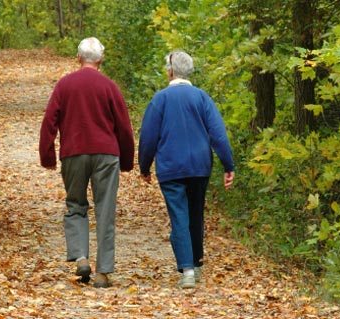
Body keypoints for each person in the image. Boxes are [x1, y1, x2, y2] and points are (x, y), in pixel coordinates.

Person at [39, 37, 135, 288]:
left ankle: (81, 257)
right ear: (101, 59)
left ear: (78, 58)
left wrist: (47, 155)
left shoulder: (65, 85)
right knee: (105, 210)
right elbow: (124, 127)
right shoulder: (110, 87)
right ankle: (103, 273)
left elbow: (49, 120)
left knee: (75, 205)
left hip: (73, 153)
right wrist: (126, 160)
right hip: (106, 154)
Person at [138, 50, 235, 289]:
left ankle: (188, 270)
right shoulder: (202, 98)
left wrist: (144, 166)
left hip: (171, 168)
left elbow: (148, 137)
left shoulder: (160, 99)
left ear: (170, 72)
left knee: (179, 217)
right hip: (200, 167)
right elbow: (218, 135)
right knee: (195, 215)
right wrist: (228, 165)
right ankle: (197, 264)